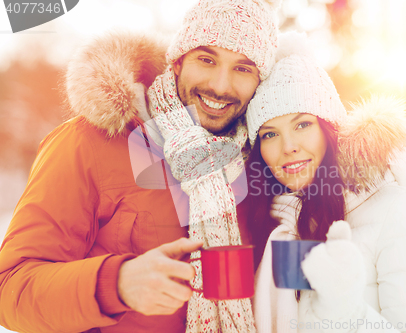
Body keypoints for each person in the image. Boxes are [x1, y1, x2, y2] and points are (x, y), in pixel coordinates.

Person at [0, 0, 279, 332]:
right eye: (206, 59)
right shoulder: (89, 142)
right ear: (176, 63)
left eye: (243, 68)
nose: (220, 85)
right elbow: (10, 291)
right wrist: (116, 284)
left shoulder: (262, 161)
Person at [244, 36, 406, 332]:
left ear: (330, 130)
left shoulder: (400, 211)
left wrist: (345, 310)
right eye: (269, 134)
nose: (288, 146)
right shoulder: (268, 222)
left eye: (302, 124)